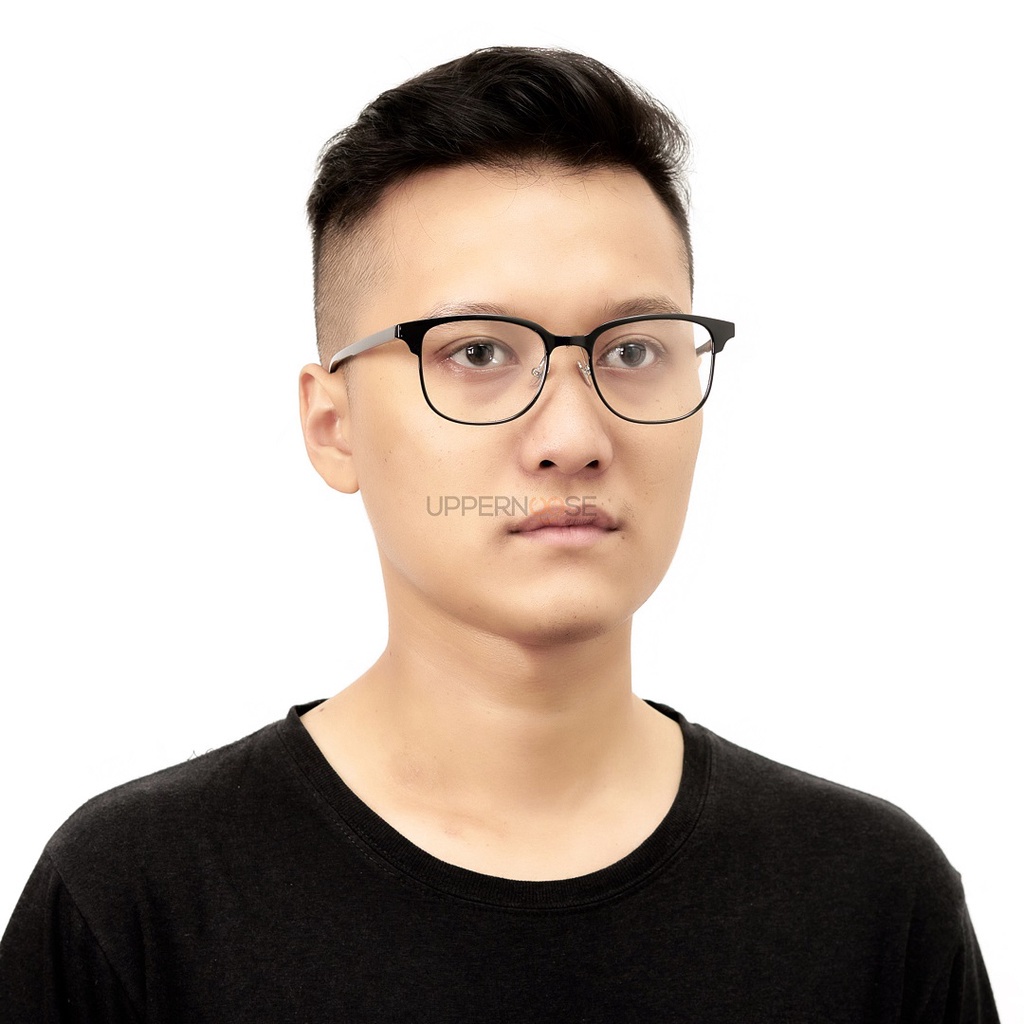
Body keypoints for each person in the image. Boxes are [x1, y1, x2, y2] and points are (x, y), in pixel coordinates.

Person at [0, 46, 999, 1023]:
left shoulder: (871, 900)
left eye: (634, 351)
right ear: (333, 426)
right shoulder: (137, 901)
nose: (573, 439)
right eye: (478, 351)